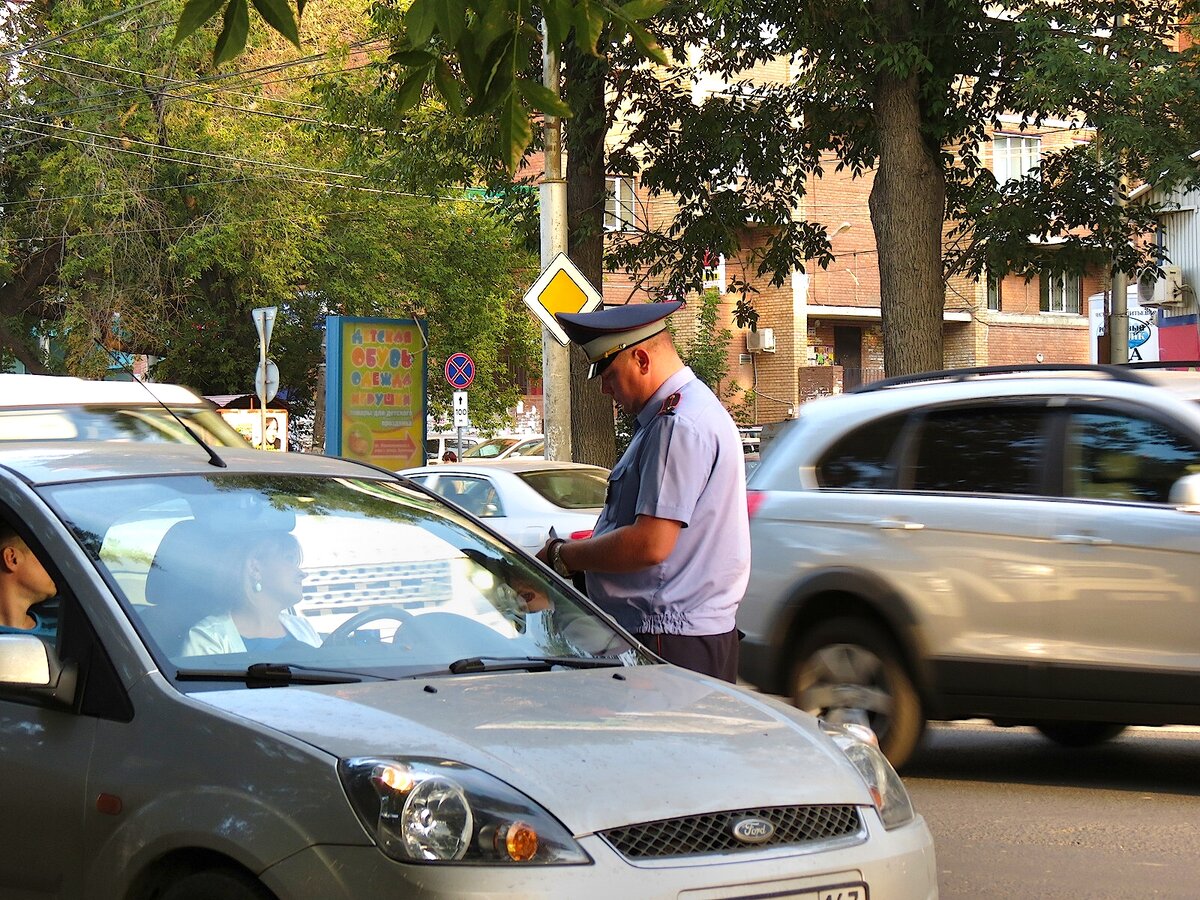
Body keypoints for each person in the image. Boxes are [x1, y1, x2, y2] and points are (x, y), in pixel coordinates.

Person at [537, 300, 750, 682]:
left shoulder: (677, 425)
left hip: (668, 637)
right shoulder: (679, 415)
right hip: (681, 634)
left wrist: (561, 556)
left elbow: (650, 544)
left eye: (609, 373)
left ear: (641, 359)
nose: (604, 388)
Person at [181, 531, 320, 655]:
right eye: (290, 560)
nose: (302, 573)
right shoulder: (208, 637)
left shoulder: (303, 627)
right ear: (255, 568)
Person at [0, 522, 58, 636]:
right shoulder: (60, 633)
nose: (55, 565)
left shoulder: (67, 630)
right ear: (12, 559)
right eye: (46, 555)